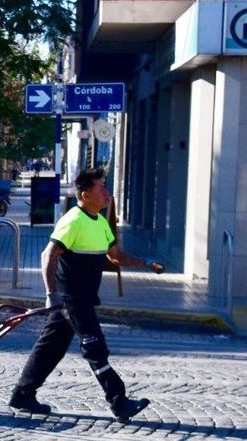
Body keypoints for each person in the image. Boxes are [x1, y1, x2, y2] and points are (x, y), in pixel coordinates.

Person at [10, 167, 164, 420]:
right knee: (95, 346)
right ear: (86, 194)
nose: (107, 193)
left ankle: (22, 394)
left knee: (51, 347)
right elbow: (48, 255)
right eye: (101, 188)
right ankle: (119, 401)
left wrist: (147, 263)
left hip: (83, 296)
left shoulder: (101, 222)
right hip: (70, 297)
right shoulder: (73, 220)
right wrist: (52, 294)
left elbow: (116, 256)